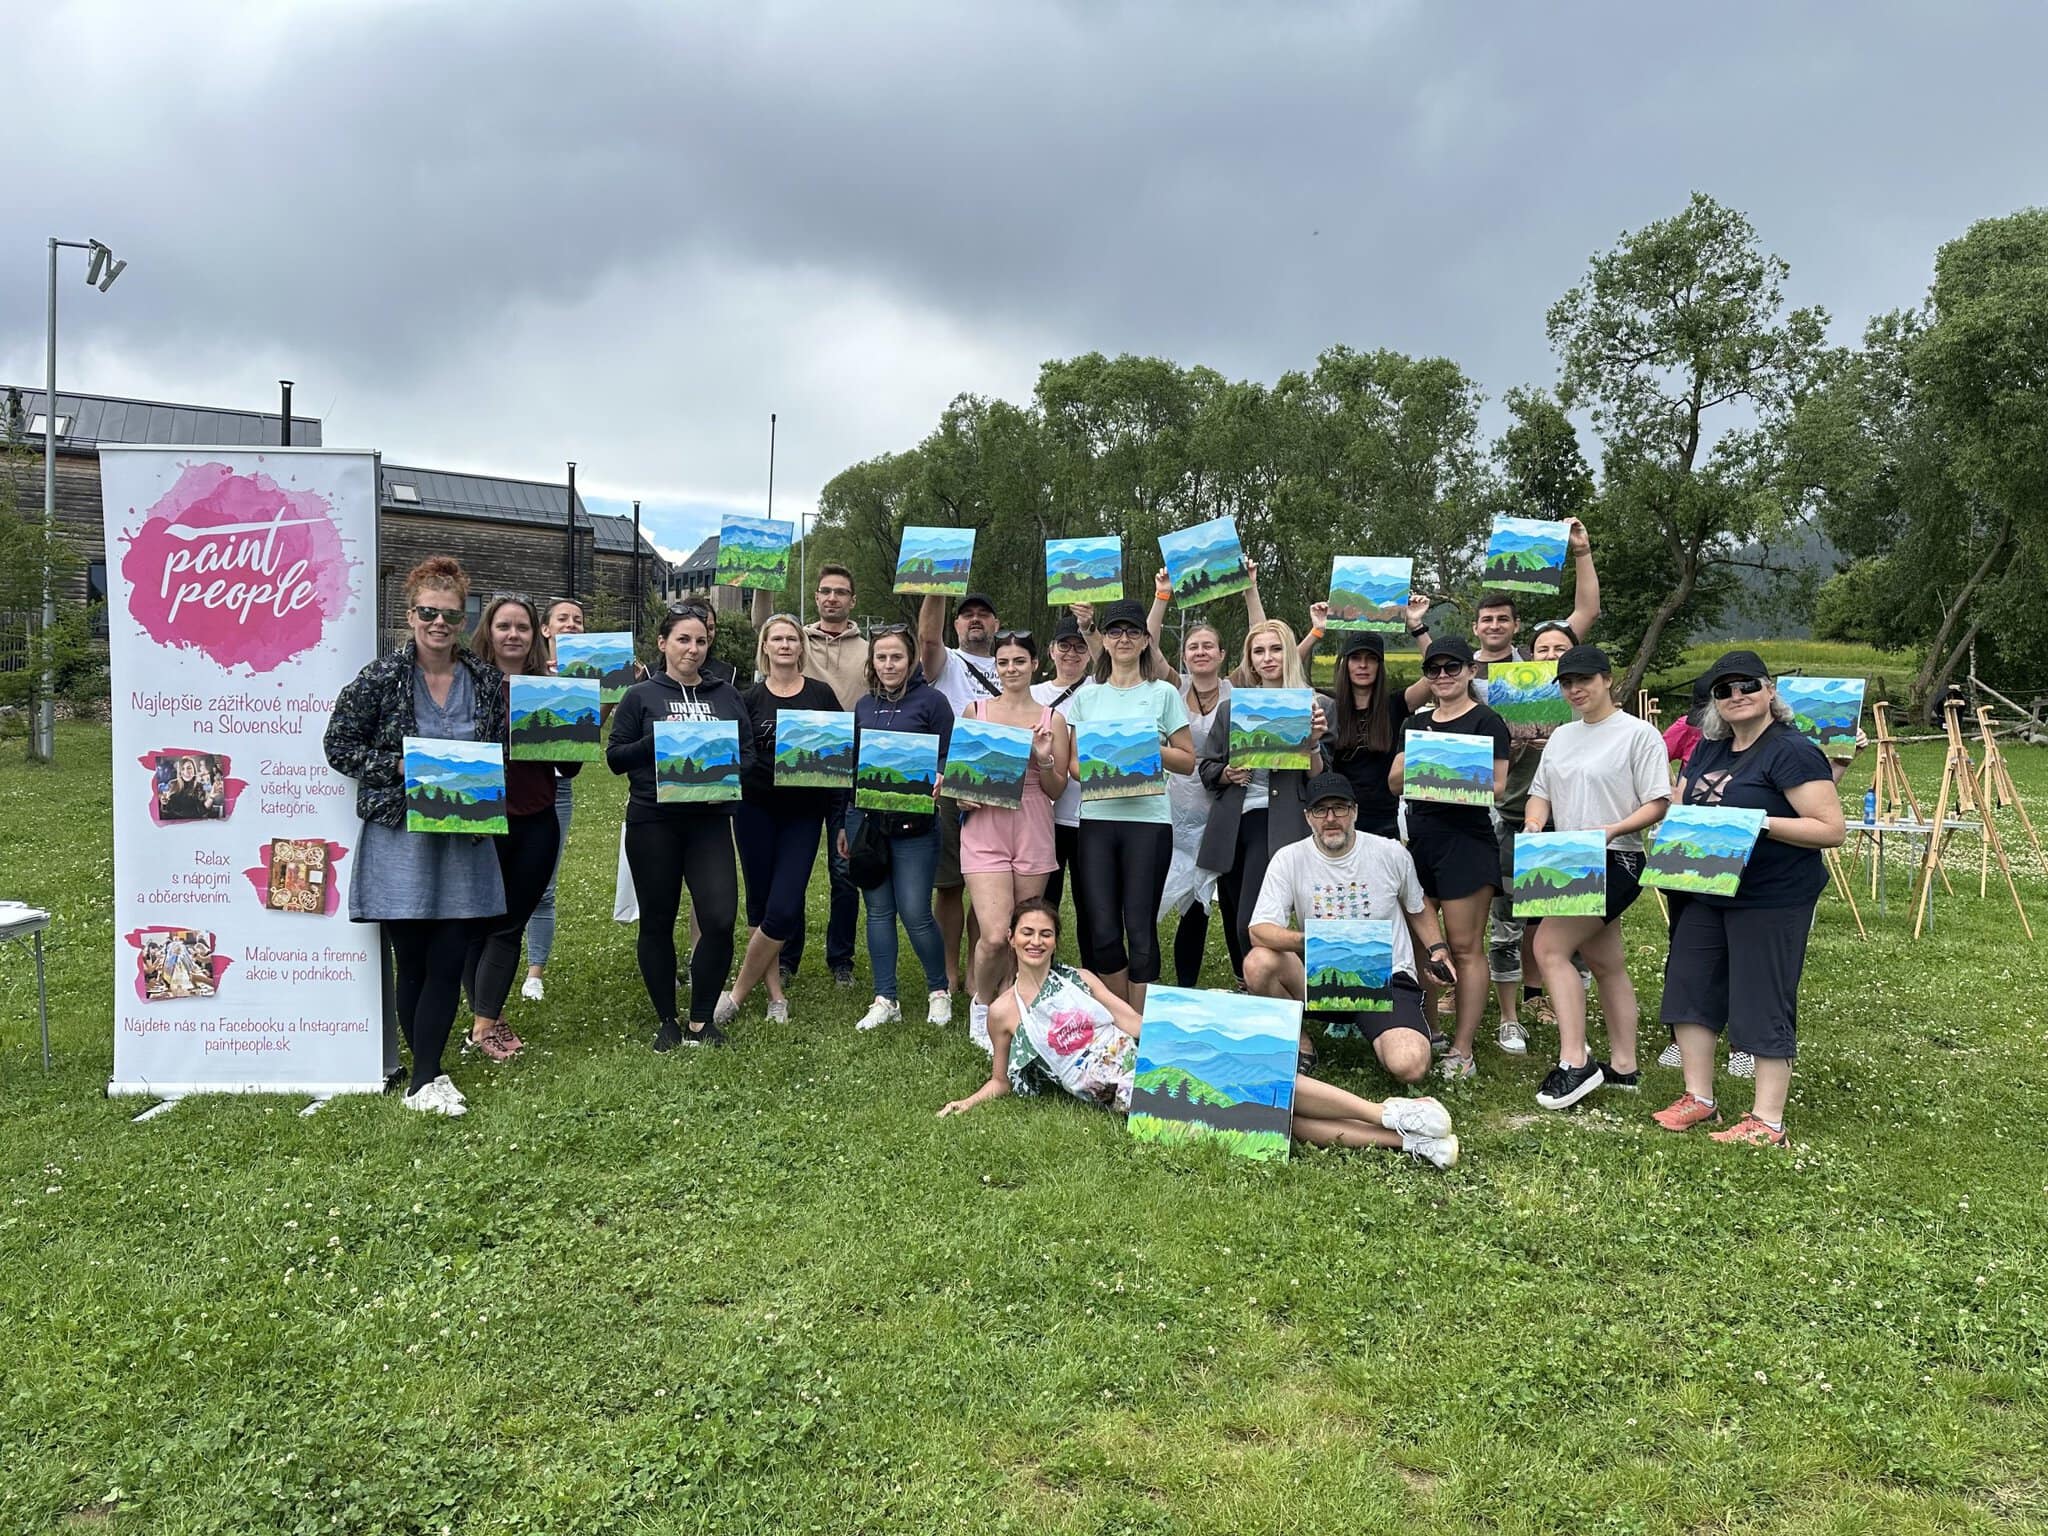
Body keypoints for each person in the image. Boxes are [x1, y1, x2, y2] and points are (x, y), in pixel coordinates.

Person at [935, 899, 1460, 1168]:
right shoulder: (1004, 1012)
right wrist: (968, 1101)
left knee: (1263, 1078)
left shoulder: (1080, 979)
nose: (1036, 941)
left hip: (1150, 1054)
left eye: (1045, 933)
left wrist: (1192, 1025)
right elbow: (1001, 1079)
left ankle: (1387, 1112)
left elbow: (1130, 1021)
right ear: (1010, 938)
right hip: (1128, 1095)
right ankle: (1406, 1143)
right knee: (1273, 1121)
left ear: (1054, 941)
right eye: (1027, 933)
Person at [324, 555, 507, 1116]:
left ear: (462, 619)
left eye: (450, 614)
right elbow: (339, 746)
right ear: (410, 616)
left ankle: (426, 1076)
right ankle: (426, 1078)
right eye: (428, 612)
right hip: (400, 838)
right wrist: (401, 767)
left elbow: (499, 749)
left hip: (463, 837)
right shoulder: (380, 678)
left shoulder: (486, 681)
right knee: (414, 961)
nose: (439, 623)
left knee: (449, 960)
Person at [1410, 521, 1601, 1048]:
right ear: (1476, 629)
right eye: (1486, 619)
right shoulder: (1471, 680)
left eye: (1502, 618)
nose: (1494, 625)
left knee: (1560, 909)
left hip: (1564, 809)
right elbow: (1437, 672)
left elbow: (1585, 613)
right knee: (1505, 915)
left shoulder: (1544, 670)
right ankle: (1496, 1001)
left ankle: (1548, 997)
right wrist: (1417, 628)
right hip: (1507, 807)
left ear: (1516, 627)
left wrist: (1581, 553)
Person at [1651, 651, 1846, 1145]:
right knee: (1689, 988)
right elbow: (1683, 802)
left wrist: (1755, 823)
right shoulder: (1709, 747)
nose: (1736, 695)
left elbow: (1830, 829)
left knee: (1762, 997)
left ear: (1770, 690)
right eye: (1724, 690)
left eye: (1747, 686)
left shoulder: (1792, 751)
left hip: (1770, 895)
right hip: (1704, 887)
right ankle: (1699, 1097)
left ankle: (1767, 1121)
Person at [1521, 645, 1671, 1110]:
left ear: (1608, 679)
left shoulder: (1639, 734)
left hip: (1617, 858)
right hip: (1568, 860)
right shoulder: (1562, 736)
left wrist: (1614, 829)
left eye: (1584, 680)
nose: (1575, 689)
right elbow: (1541, 793)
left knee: (1549, 947)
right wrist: (1533, 824)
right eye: (1567, 683)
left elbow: (1658, 802)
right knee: (1606, 962)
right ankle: (1624, 1067)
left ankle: (1575, 1061)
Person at [1244, 773, 1457, 1087]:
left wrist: (1437, 949)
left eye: (1340, 808)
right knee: (1258, 963)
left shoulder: (1390, 853)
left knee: (1410, 1066)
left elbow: (1417, 906)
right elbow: (1259, 930)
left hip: (1384, 978)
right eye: (1321, 810)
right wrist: (1313, 941)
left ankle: (1393, 1026)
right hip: (1320, 976)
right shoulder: (1288, 859)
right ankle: (1300, 1042)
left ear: (1354, 811)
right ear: (1308, 817)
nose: (1331, 818)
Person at [607, 604, 755, 1050]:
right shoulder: (640, 696)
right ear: (663, 643)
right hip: (654, 821)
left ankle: (701, 1020)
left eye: (701, 641)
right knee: (657, 920)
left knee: (720, 919)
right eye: (683, 640)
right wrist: (657, 740)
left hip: (709, 822)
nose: (693, 649)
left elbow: (748, 754)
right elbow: (615, 758)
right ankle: (668, 1020)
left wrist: (723, 778)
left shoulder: (725, 695)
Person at [461, 594, 580, 1062]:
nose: (513, 634)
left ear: (536, 636)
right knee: (476, 924)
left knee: (510, 923)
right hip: (478, 819)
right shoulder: (466, 685)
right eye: (504, 626)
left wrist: (569, 716)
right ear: (488, 631)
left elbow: (570, 766)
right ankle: (487, 1021)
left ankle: (485, 1021)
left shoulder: (549, 688)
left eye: (522, 627)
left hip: (536, 819)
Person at [1063, 599, 1195, 1011]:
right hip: (1097, 822)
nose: (1123, 638)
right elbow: (1074, 766)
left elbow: (1187, 760)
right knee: (1102, 931)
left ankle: (1139, 1023)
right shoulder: (1087, 697)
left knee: (1140, 931)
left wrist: (1146, 748)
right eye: (1115, 631)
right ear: (1103, 640)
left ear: (1145, 641)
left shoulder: (1164, 694)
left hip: (1148, 824)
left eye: (1133, 631)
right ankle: (1120, 1019)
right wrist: (1110, 765)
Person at [716, 614, 847, 1027]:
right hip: (754, 811)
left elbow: (840, 760)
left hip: (803, 816)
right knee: (759, 903)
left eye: (792, 638)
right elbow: (734, 757)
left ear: (802, 647)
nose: (786, 645)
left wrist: (840, 817)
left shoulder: (821, 695)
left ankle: (736, 994)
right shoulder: (747, 699)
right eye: (778, 639)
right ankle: (776, 996)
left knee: (785, 906)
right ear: (765, 647)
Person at [1389, 636, 1511, 1082]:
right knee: (1420, 943)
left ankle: (1463, 1048)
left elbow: (1498, 786)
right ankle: (1430, 1031)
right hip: (1421, 840)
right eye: (1433, 669)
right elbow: (1394, 781)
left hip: (1466, 842)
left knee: (1464, 947)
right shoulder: (1415, 723)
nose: (1442, 676)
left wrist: (1441, 768)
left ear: (1470, 671)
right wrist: (1434, 763)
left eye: (1452, 667)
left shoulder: (1487, 721)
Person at [953, 629, 1069, 1051]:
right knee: (994, 935)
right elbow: (962, 781)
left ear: (1035, 664)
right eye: (1003, 662)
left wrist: (1044, 757)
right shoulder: (976, 710)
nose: (1011, 669)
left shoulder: (1052, 719)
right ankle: (982, 1005)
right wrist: (961, 795)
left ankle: (1012, 1004)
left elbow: (1057, 788)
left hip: (1033, 823)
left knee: (1025, 931)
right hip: (986, 826)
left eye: (1019, 661)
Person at [1197, 619, 1333, 970]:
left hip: (1279, 824)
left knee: (1252, 922)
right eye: (1259, 651)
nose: (1267, 658)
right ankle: (1251, 983)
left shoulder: (1317, 706)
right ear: (1250, 660)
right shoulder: (1231, 708)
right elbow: (1207, 767)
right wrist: (1227, 773)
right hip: (1230, 825)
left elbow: (1321, 783)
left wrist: (1313, 744)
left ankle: (1284, 983)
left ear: (1290, 653)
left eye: (1275, 649)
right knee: (1233, 915)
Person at [756, 564, 868, 987]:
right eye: (825, 591)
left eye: (841, 591)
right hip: (796, 779)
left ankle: (841, 960)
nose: (832, 597)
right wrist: (761, 577)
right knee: (793, 873)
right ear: (816, 596)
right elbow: (762, 623)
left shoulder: (868, 649)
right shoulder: (795, 637)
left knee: (844, 871)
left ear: (852, 600)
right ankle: (787, 957)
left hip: (844, 772)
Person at [845, 625, 956, 1030]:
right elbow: (852, 767)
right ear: (872, 661)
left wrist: (941, 773)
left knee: (915, 911)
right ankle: (885, 998)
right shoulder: (863, 706)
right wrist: (845, 822)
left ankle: (939, 991)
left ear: (911, 661)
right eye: (881, 657)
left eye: (897, 657)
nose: (889, 664)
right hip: (868, 822)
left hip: (916, 825)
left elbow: (949, 753)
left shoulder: (933, 702)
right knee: (877, 912)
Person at [919, 589, 1003, 994]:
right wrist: (938, 586)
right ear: (955, 624)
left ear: (996, 625)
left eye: (983, 614)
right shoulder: (947, 661)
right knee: (950, 884)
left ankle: (976, 971)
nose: (975, 620)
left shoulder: (1010, 662)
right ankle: (949, 971)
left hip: (1002, 782)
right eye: (967, 614)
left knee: (990, 885)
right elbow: (927, 639)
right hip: (953, 781)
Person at [1160, 616, 1234, 986]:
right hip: (1177, 804)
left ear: (1222, 654)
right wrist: (1162, 597)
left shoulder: (1236, 688)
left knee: (1212, 899)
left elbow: (1273, 644)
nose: (1200, 652)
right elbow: (1148, 643)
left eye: (1208, 646)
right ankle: (1167, 979)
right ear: (1184, 655)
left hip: (1222, 802)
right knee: (1176, 894)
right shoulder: (1174, 687)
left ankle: (1211, 979)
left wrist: (1251, 592)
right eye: (1193, 646)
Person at [521, 595, 584, 1003]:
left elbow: (584, 740)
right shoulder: (526, 670)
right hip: (518, 784)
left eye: (578, 619)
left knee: (544, 885)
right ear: (545, 629)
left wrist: (609, 696)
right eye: (563, 618)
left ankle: (534, 973)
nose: (572, 624)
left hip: (559, 787)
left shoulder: (588, 675)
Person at [1032, 611, 1096, 964]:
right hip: (1042, 816)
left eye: (1080, 647)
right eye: (1064, 646)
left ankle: (1093, 973)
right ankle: (1041, 968)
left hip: (1089, 814)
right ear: (1051, 650)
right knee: (1043, 901)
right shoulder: (1032, 694)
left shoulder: (1100, 690)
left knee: (1091, 903)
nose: (1072, 653)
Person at [1325, 631, 1413, 840]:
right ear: (1345, 663)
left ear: (1379, 666)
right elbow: (1287, 675)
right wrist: (1316, 631)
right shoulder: (1328, 705)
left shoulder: (1395, 704)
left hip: (1383, 820)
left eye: (1371, 659)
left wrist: (1417, 628)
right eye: (1356, 658)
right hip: (1338, 816)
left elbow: (1436, 676)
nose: (1363, 665)